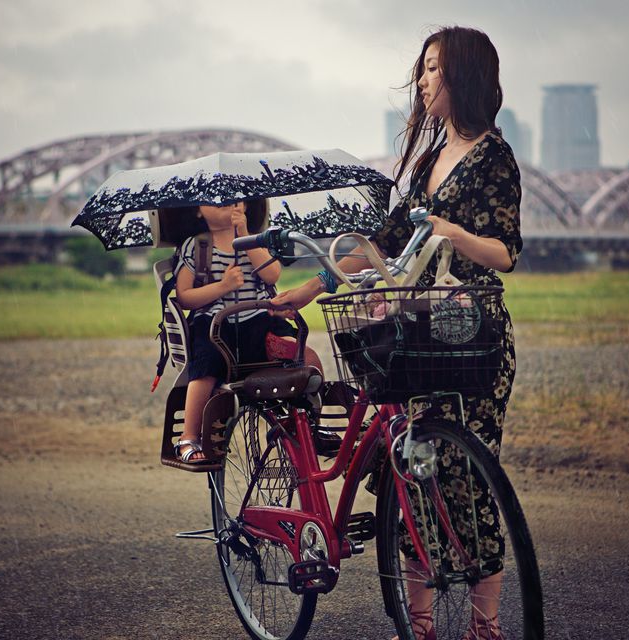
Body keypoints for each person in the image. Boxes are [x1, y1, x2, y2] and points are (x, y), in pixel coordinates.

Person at [272, 25, 522, 640]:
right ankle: (419, 624)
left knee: (468, 477)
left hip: (471, 336)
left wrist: (448, 231)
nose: (423, 80)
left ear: (462, 74)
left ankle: (484, 626)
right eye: (421, 68)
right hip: (415, 336)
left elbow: (506, 253)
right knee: (412, 473)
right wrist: (311, 285)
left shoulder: (495, 156)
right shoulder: (425, 160)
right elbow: (380, 247)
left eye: (433, 68)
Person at [171, 200, 293, 463]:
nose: (225, 205)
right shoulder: (197, 246)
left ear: (245, 207)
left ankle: (305, 420)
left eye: (233, 200)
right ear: (197, 211)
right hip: (214, 322)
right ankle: (188, 437)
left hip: (258, 318)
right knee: (206, 368)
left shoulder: (257, 241)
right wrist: (223, 286)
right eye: (214, 202)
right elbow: (185, 297)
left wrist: (246, 236)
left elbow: (272, 276)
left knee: (297, 348)